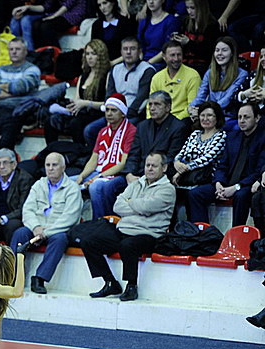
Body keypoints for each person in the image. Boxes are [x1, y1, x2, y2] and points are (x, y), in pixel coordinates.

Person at [78, 152, 175, 302]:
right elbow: (117, 206)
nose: (150, 169)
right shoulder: (136, 184)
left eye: (154, 166)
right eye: (148, 165)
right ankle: (110, 282)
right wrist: (139, 206)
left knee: (127, 245)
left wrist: (131, 202)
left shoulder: (168, 189)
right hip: (124, 230)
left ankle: (131, 286)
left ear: (164, 168)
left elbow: (147, 207)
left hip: (150, 234)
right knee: (88, 241)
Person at [93, 90, 188, 218]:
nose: (152, 108)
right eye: (150, 104)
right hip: (136, 174)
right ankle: (108, 222)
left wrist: (146, 177)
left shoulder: (178, 127)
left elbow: (171, 158)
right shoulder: (143, 125)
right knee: (109, 187)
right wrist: (129, 174)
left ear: (168, 107)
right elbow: (134, 154)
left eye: (157, 104)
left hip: (159, 177)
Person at [10, 152, 82, 294]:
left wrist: (46, 232)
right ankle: (13, 275)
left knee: (60, 239)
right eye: (48, 165)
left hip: (56, 230)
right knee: (20, 233)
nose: (50, 168)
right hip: (37, 228)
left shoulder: (72, 188)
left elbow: (70, 218)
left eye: (54, 165)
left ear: (63, 167)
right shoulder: (38, 185)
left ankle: (40, 279)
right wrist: (36, 227)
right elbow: (27, 210)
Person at [188, 102, 265, 227]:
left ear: (257, 118)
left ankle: (236, 234)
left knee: (240, 196)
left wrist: (236, 187)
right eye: (239, 117)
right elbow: (222, 165)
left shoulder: (262, 139)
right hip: (227, 183)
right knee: (196, 194)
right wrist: (218, 183)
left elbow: (258, 172)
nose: (242, 121)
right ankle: (203, 234)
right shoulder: (233, 137)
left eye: (246, 117)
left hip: (246, 185)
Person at [84, 37, 155, 146]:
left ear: (139, 51)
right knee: (89, 131)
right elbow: (109, 96)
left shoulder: (147, 70)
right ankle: (100, 155)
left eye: (132, 49)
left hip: (134, 115)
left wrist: (122, 116)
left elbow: (140, 100)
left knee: (121, 132)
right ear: (121, 52)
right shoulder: (115, 69)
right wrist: (111, 114)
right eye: (125, 49)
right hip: (114, 113)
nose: (128, 52)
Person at [44, 39, 109, 145]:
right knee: (51, 120)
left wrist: (86, 103)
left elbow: (107, 104)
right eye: (87, 54)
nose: (89, 57)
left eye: (93, 54)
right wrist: (72, 106)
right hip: (81, 112)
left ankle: (79, 151)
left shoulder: (107, 76)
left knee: (76, 123)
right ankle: (52, 150)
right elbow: (76, 99)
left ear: (101, 56)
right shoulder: (83, 76)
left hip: (96, 113)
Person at [171, 101, 227, 216]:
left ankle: (198, 226)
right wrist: (176, 162)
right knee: (168, 191)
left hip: (207, 179)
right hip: (188, 177)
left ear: (217, 118)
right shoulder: (195, 134)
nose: (205, 119)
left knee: (193, 194)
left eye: (209, 115)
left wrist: (181, 170)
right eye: (202, 115)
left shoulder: (221, 136)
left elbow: (206, 159)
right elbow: (182, 153)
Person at [0, 148, 34, 246]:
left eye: (5, 163)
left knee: (13, 226)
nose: (1, 166)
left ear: (14, 164)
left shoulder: (24, 179)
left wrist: (1, 219)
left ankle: (11, 255)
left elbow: (23, 209)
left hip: (11, 219)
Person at [188, 36, 248, 124]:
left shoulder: (242, 74)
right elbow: (201, 95)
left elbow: (227, 99)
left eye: (224, 50)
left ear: (232, 53)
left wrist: (204, 111)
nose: (219, 53)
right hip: (208, 116)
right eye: (217, 50)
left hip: (228, 118)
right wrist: (191, 108)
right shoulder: (209, 73)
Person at [149, 41, 201, 121]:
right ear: (164, 56)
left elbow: (192, 106)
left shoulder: (193, 76)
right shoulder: (157, 77)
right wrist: (150, 120)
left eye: (179, 55)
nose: (176, 59)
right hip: (160, 119)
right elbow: (151, 104)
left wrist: (172, 122)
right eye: (172, 55)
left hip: (183, 120)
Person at [0, 37, 41, 111]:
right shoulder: (0, 69)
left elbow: (20, 87)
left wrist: (1, 87)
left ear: (25, 52)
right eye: (11, 49)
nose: (14, 52)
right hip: (1, 109)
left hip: (23, 108)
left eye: (18, 49)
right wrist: (14, 92)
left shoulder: (33, 69)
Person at [172, 0, 219, 75]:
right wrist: (177, 40)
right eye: (187, 8)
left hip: (202, 64)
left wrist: (188, 43)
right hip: (184, 62)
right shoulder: (186, 21)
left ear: (201, 8)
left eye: (192, 8)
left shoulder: (212, 25)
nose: (189, 11)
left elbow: (208, 53)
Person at [136, 0, 180, 68]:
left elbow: (168, 48)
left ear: (162, 1)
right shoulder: (144, 21)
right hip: (143, 61)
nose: (151, 2)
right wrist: (140, 62)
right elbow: (140, 45)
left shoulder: (171, 21)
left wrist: (148, 63)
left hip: (161, 63)